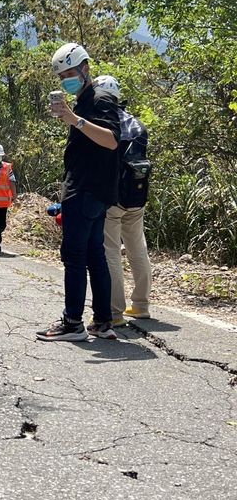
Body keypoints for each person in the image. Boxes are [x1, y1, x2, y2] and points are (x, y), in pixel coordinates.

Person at [37, 43, 121, 342]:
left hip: (85, 190)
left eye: (70, 73)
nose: (66, 80)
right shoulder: (84, 100)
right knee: (95, 255)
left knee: (74, 256)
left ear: (85, 68)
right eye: (62, 77)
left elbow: (112, 140)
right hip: (93, 191)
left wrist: (75, 120)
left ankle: (73, 323)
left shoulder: (99, 98)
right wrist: (72, 117)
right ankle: (102, 322)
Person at [93, 75, 153, 325]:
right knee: (138, 248)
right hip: (137, 195)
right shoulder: (138, 125)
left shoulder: (106, 124)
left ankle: (115, 312)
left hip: (113, 198)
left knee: (111, 252)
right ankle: (141, 305)